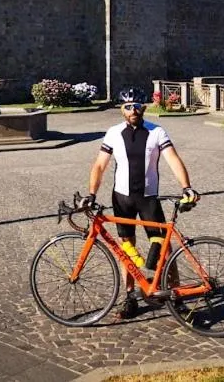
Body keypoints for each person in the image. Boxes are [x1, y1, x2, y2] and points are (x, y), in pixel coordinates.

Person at [83, 87, 199, 319]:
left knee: (163, 250)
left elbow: (173, 159)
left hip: (148, 198)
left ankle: (175, 295)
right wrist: (92, 193)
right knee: (127, 248)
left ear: (143, 107)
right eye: (128, 107)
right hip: (122, 198)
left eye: (136, 106)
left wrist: (186, 187)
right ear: (121, 110)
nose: (133, 110)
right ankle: (130, 297)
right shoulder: (113, 133)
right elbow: (99, 165)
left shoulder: (157, 132)